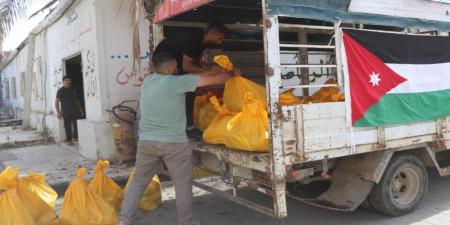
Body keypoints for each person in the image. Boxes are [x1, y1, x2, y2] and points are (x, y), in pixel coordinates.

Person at [117, 53, 234, 225]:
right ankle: (185, 222)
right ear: (172, 65)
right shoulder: (177, 83)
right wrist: (232, 73)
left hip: (147, 142)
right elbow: (218, 79)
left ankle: (123, 220)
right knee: (181, 184)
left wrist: (208, 71)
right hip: (174, 144)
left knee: (138, 181)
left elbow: (193, 77)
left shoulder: (148, 81)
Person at [153, 22, 229, 138]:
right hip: (164, 65)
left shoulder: (202, 42)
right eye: (219, 38)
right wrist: (210, 72)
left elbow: (195, 63)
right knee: (187, 93)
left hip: (174, 65)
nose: (220, 42)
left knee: (190, 90)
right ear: (213, 33)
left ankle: (185, 126)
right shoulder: (193, 40)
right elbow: (187, 67)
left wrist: (204, 74)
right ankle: (188, 129)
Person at [55, 76, 84, 143]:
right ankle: (69, 139)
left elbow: (77, 100)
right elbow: (57, 102)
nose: (68, 82)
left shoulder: (73, 89)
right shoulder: (60, 91)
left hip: (75, 111)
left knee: (76, 125)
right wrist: (58, 112)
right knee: (67, 126)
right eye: (67, 80)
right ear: (63, 81)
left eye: (69, 80)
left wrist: (81, 110)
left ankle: (76, 137)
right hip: (66, 112)